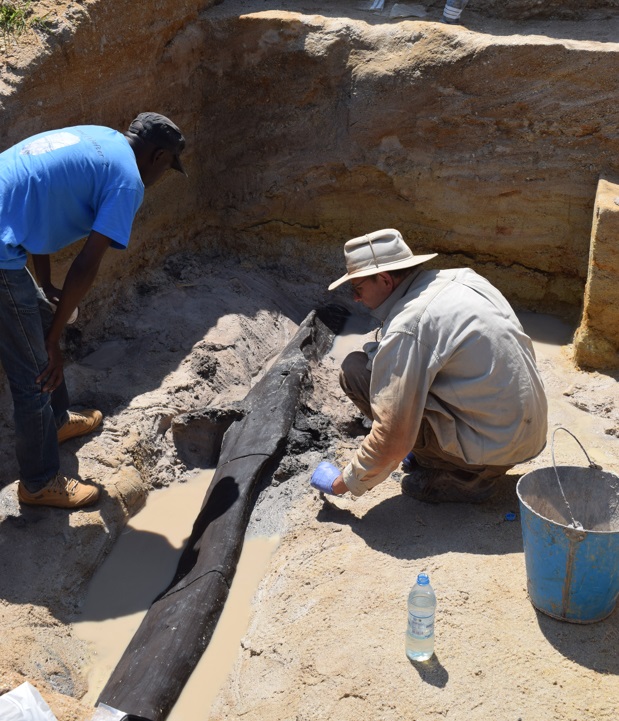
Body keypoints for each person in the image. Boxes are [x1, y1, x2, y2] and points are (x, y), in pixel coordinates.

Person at [0, 112, 187, 509]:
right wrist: (53, 343)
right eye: (169, 167)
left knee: (40, 309)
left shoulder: (100, 138)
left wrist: (46, 285)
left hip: (5, 226)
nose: (162, 176)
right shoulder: (126, 180)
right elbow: (87, 263)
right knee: (36, 370)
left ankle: (57, 420)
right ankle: (38, 482)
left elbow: (37, 207)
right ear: (156, 156)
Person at [311, 229, 548, 503]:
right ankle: (446, 456)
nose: (355, 298)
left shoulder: (410, 325)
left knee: (355, 371)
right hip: (526, 433)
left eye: (358, 288)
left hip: (494, 450)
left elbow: (391, 436)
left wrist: (343, 483)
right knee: (381, 371)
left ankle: (465, 477)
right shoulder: (464, 277)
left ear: (385, 279)